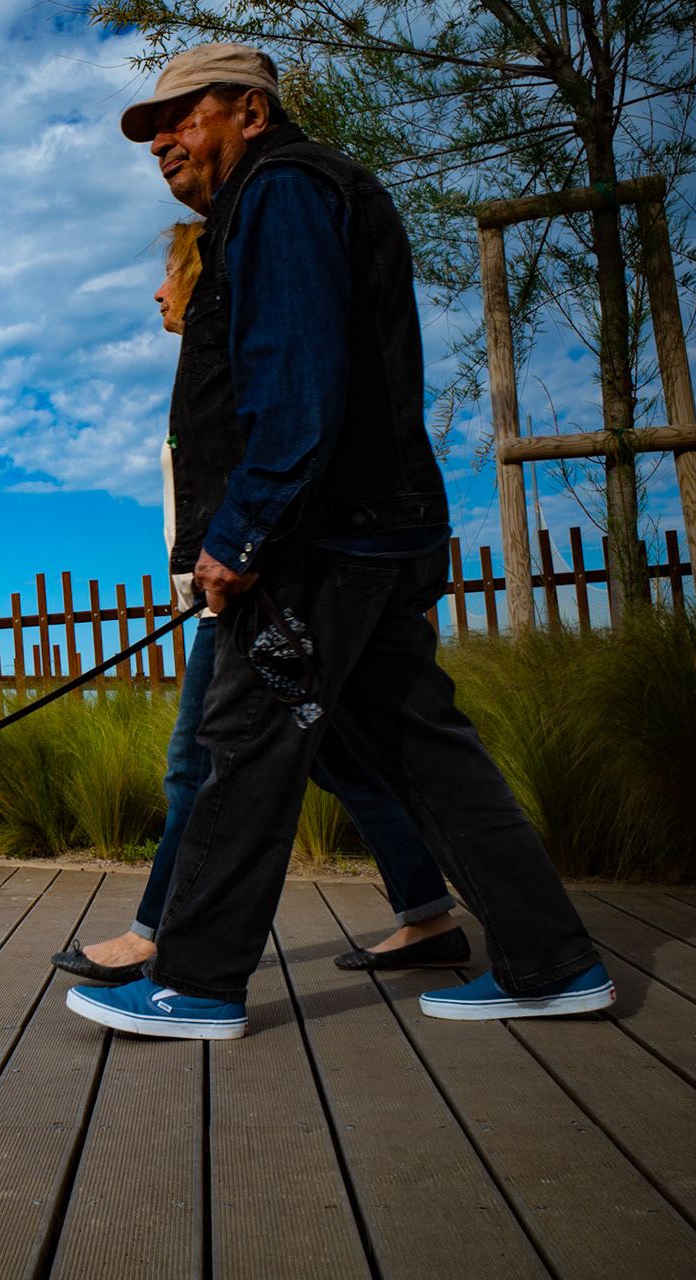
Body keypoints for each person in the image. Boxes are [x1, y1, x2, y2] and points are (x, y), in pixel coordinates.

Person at [65, 43, 612, 1041]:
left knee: (245, 743)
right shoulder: (297, 197)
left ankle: (195, 979)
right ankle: (552, 958)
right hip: (374, 532)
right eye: (154, 131)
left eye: (185, 118)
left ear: (251, 112)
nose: (165, 143)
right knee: (419, 747)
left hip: (318, 547)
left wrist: (239, 537)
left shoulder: (281, 195)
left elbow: (297, 384)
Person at [52, 223, 464, 985]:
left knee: (198, 762)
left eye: (169, 272)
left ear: (203, 277)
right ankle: (429, 914)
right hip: (255, 582)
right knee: (348, 760)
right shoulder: (212, 364)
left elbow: (257, 462)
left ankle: (156, 933)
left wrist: (229, 565)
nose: (157, 290)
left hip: (250, 591)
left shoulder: (232, 357)